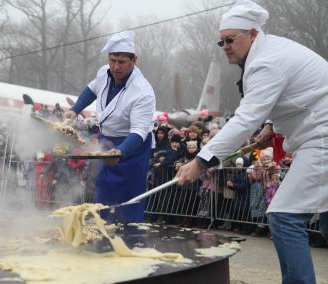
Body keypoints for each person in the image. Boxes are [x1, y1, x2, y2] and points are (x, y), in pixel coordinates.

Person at [176, 0, 328, 283]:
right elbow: (295, 95)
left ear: (253, 34)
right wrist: (272, 125)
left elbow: (246, 118)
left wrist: (200, 161)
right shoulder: (269, 52)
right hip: (317, 133)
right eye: (221, 42)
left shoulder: (265, 62)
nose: (225, 47)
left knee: (283, 216)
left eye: (231, 39)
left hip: (323, 138)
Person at [64, 30, 155, 223]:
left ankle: (130, 236)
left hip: (132, 147)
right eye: (113, 60)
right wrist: (75, 109)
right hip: (106, 141)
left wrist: (120, 151)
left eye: (122, 62)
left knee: (129, 198)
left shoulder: (143, 92)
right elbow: (91, 90)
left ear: (134, 60)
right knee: (104, 191)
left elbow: (139, 132)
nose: (116, 67)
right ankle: (101, 229)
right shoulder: (103, 73)